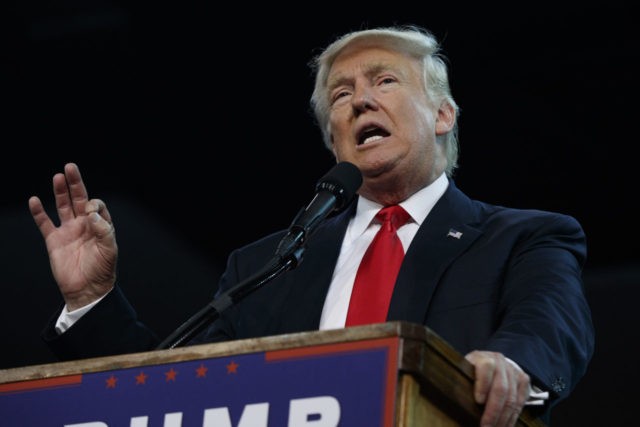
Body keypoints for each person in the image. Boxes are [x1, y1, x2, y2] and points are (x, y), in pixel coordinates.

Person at [29, 25, 594, 426]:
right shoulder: (265, 266)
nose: (358, 102)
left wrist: (511, 364)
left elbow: (549, 323)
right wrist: (93, 298)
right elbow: (167, 390)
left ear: (443, 114)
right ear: (333, 142)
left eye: (384, 82)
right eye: (341, 96)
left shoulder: (524, 237)